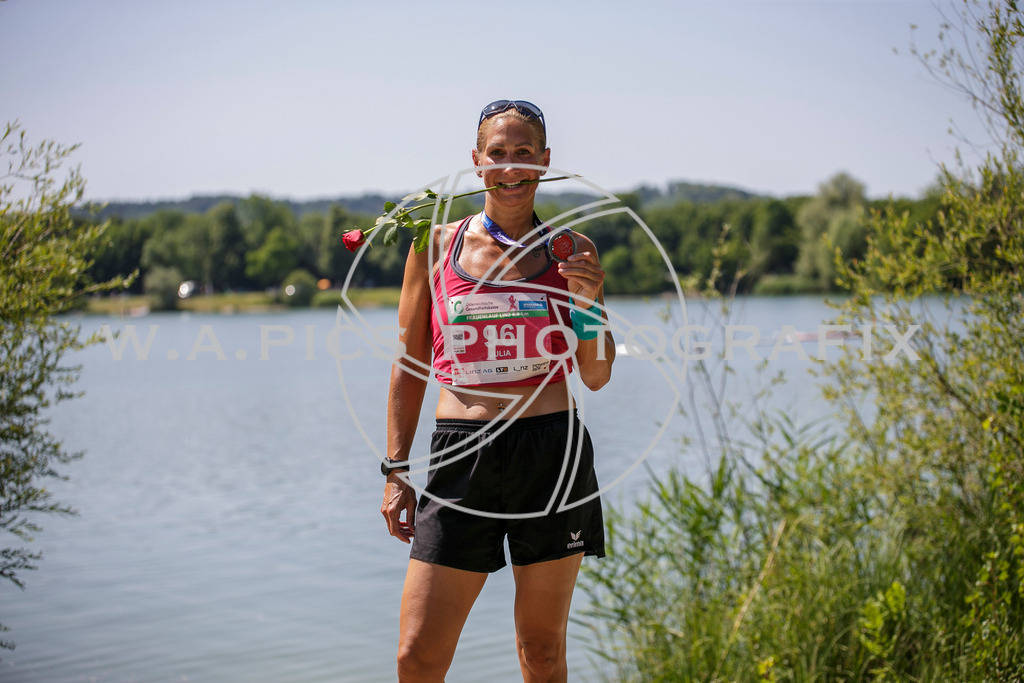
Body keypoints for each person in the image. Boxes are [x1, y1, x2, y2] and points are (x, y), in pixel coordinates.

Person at [380, 99, 616, 682]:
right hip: (461, 452)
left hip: (550, 453)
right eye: (499, 153)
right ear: (477, 162)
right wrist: (395, 469)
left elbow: (597, 373)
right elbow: (409, 363)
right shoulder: (434, 246)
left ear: (545, 161)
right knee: (417, 654)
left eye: (524, 153)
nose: (511, 167)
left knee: (541, 652)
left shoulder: (573, 251)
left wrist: (588, 306)